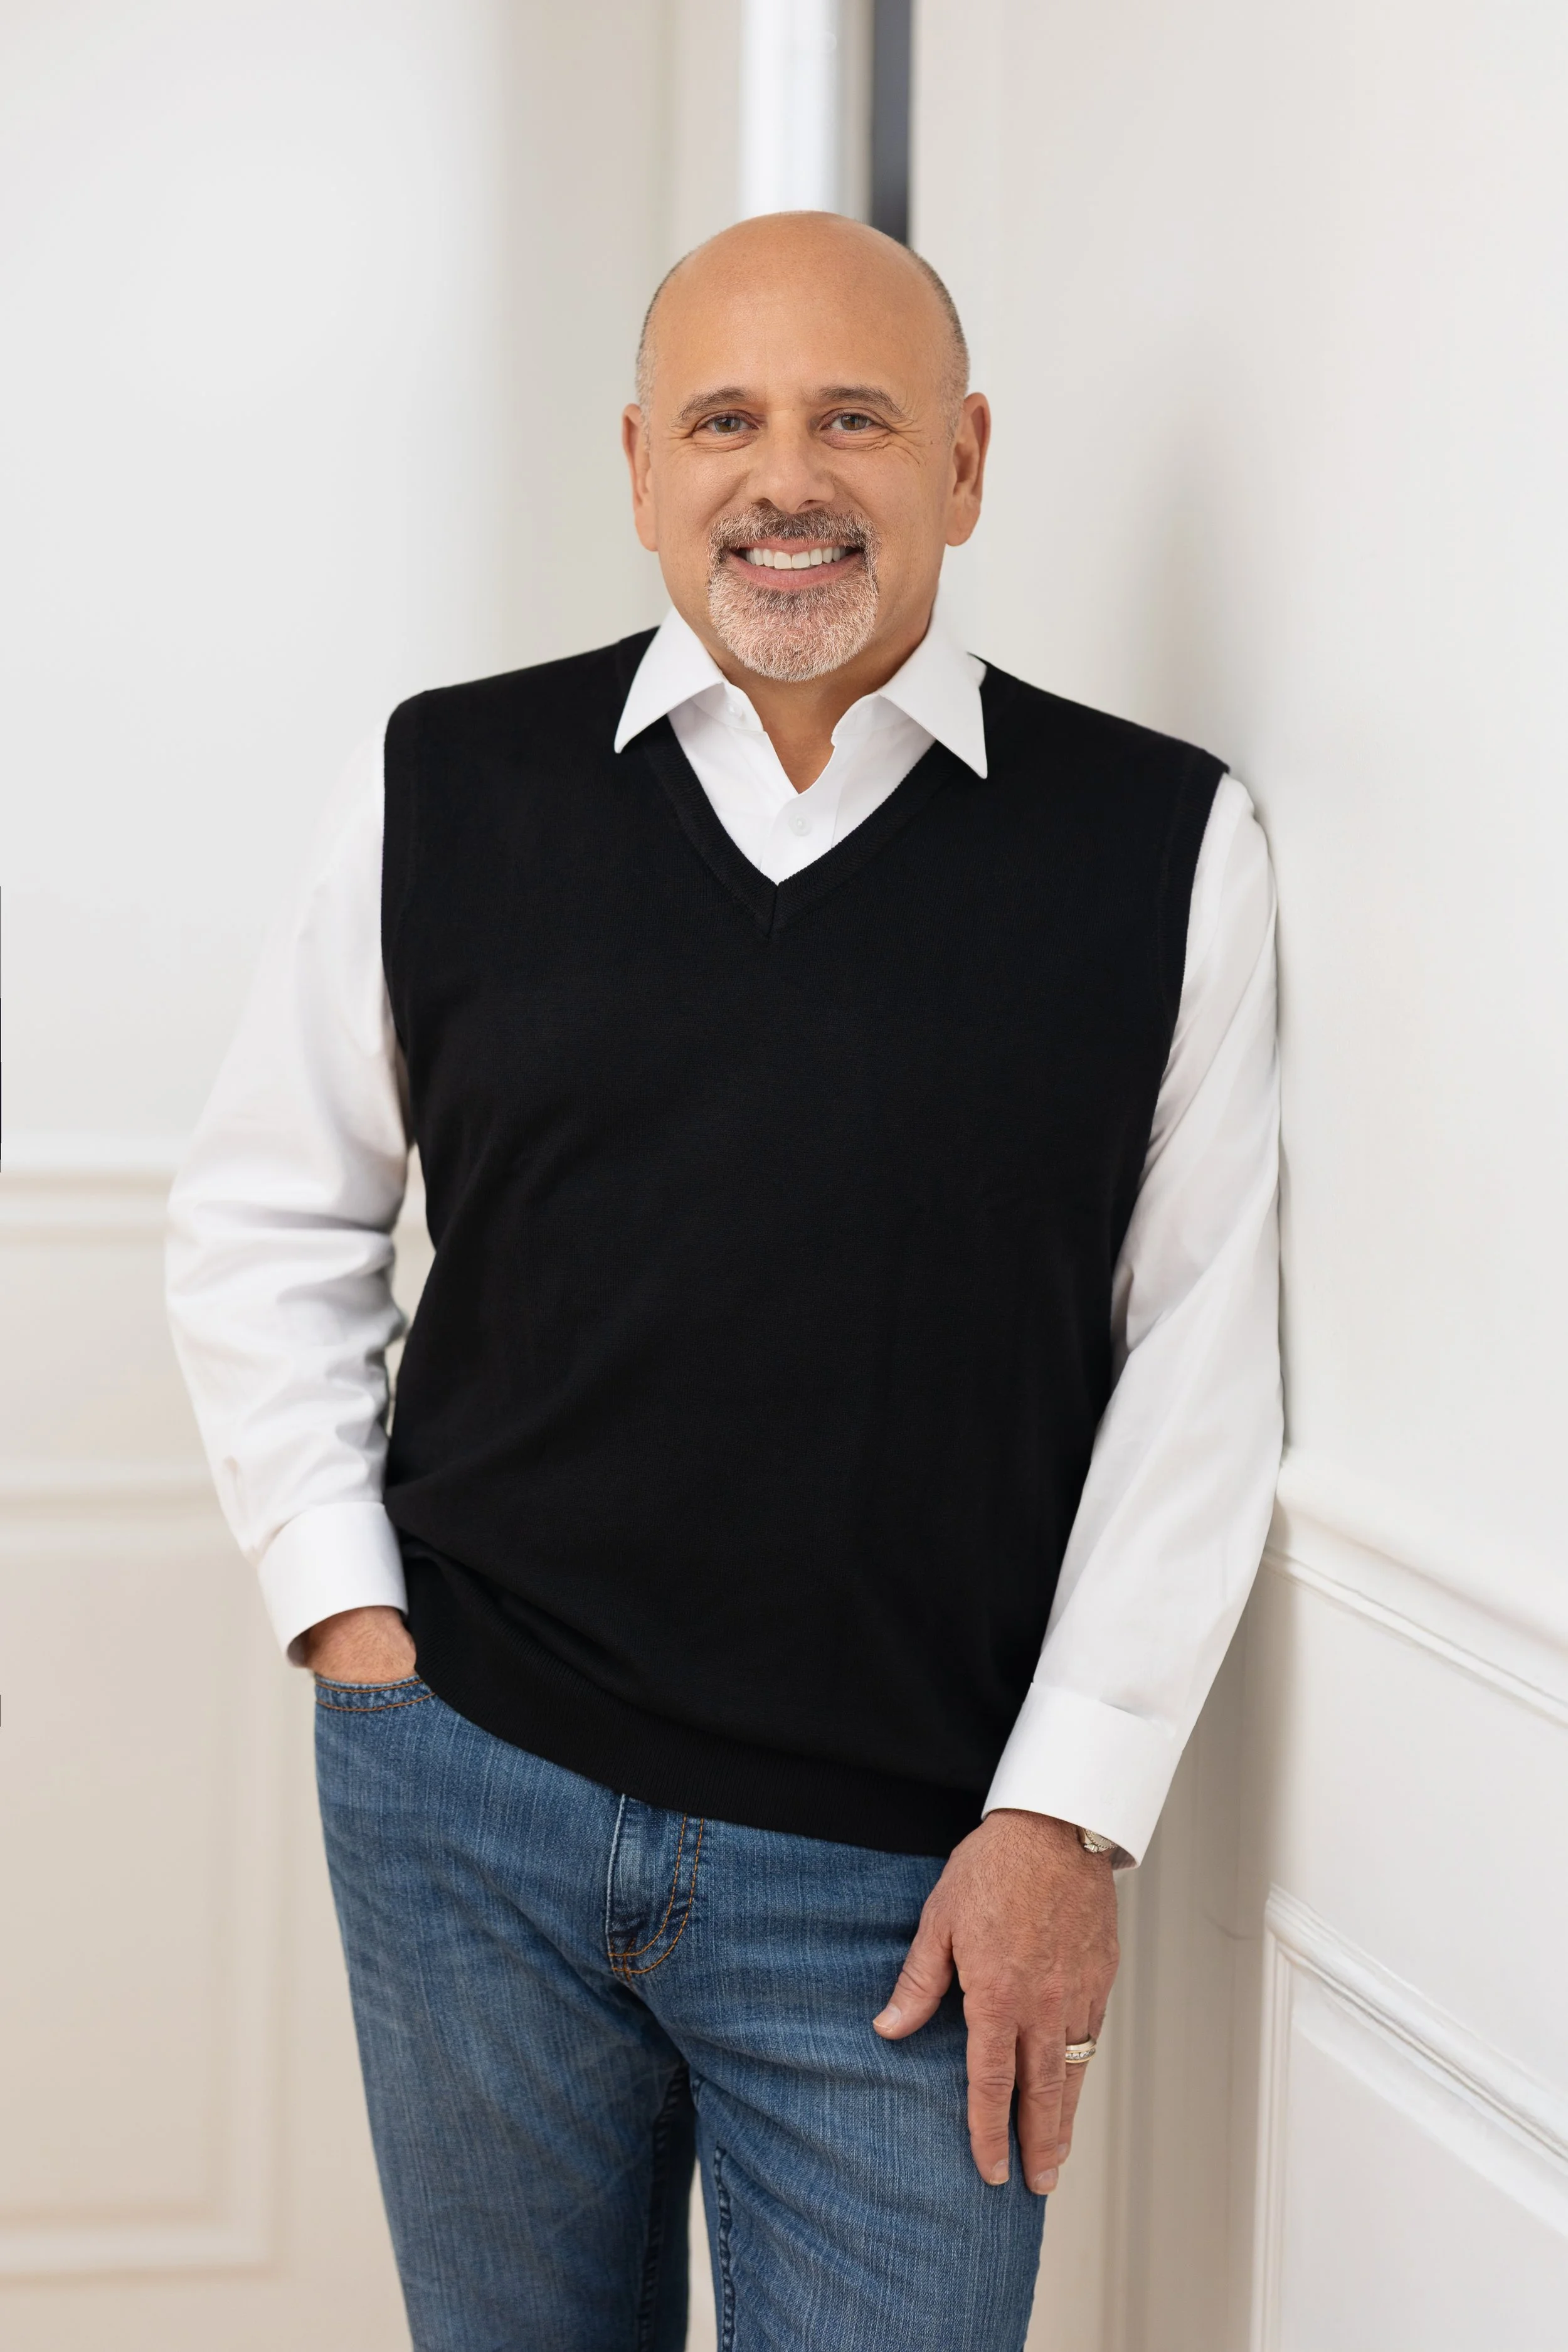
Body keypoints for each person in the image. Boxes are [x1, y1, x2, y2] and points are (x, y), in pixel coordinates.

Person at [167, 210, 1281, 2352]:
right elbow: (264, 1214)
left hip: (908, 1875)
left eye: (851, 417)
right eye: (726, 421)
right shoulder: (444, 782)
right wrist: (348, 1610)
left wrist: (1063, 1813)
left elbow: (1197, 1358)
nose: (786, 479)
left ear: (961, 461)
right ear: (640, 465)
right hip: (462, 1790)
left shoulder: (1156, 845)